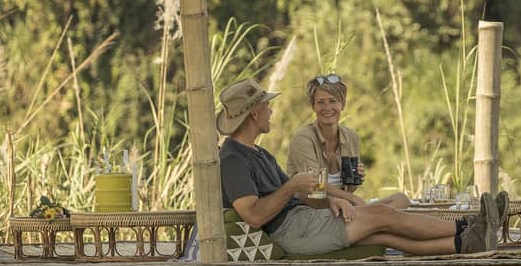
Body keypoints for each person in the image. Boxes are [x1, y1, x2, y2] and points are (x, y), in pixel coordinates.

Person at [215, 77, 504, 256]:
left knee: (382, 234)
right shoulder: (233, 160)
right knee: (382, 214)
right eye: (266, 107)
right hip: (292, 232)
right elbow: (253, 215)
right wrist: (294, 185)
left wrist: (331, 201)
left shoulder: (259, 153)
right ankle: (469, 225)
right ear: (254, 115)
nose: (271, 111)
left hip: (304, 219)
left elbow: (301, 194)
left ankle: (465, 243)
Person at [286, 73, 410, 211]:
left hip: (346, 208)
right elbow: (315, 186)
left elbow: (350, 188)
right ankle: (375, 220)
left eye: (333, 101)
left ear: (343, 104)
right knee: (384, 215)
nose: (327, 108)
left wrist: (357, 177)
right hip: (314, 209)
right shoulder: (303, 138)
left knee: (401, 199)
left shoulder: (351, 137)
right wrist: (353, 199)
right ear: (313, 106)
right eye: (321, 102)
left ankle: (374, 219)